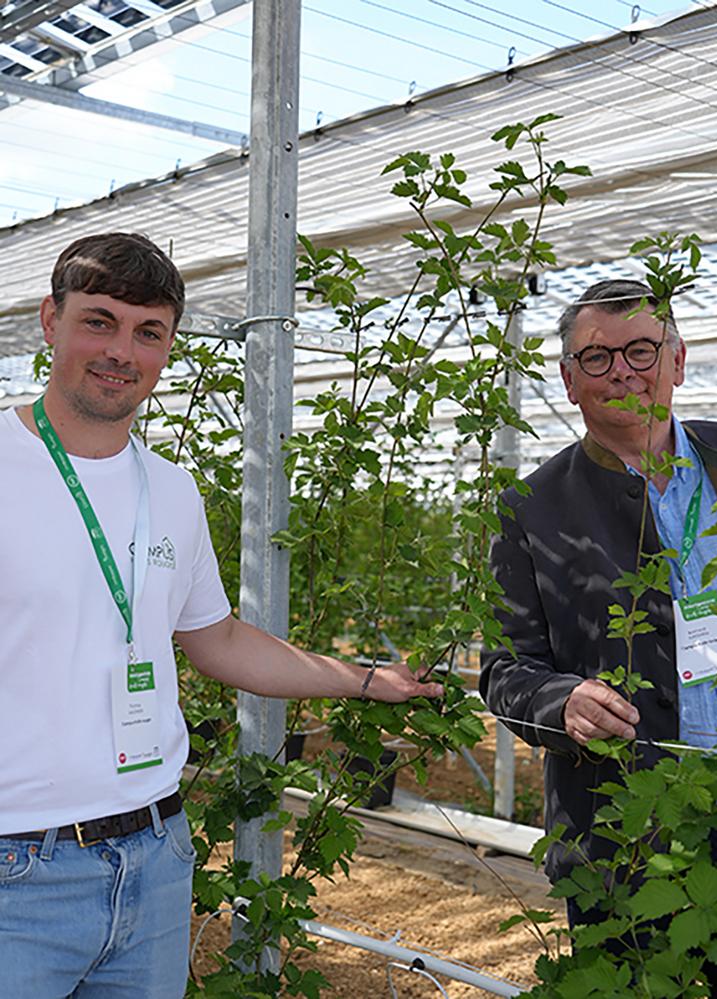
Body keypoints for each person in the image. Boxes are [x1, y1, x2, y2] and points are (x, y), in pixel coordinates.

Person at [0, 232, 442, 999]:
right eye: (99, 321)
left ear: (168, 347)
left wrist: (365, 679)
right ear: (50, 319)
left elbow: (217, 637)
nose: (121, 351)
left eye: (148, 332)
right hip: (17, 867)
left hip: (154, 857)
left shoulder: (171, 489)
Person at [480, 278, 717, 892]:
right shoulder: (532, 509)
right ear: (569, 379)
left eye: (641, 350)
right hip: (627, 835)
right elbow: (503, 670)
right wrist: (562, 702)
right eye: (597, 357)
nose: (623, 371)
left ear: (677, 360)